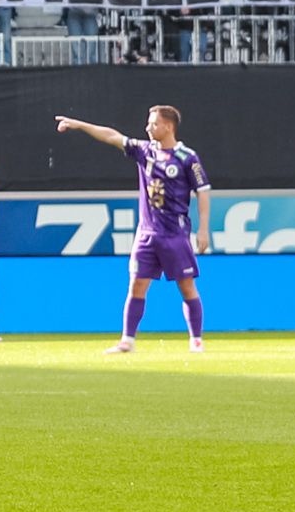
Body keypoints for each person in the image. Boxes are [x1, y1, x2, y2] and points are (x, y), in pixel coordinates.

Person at [57, 105, 207, 354]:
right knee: (136, 285)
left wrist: (203, 229)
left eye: (154, 123)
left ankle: (196, 340)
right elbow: (111, 136)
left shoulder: (187, 158)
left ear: (168, 126)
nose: (148, 128)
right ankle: (127, 340)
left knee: (186, 286)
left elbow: (203, 192)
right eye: (148, 123)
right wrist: (79, 124)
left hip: (175, 235)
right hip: (147, 234)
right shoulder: (144, 151)